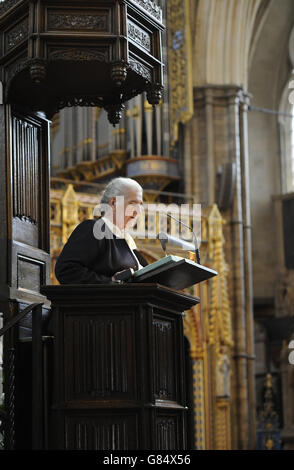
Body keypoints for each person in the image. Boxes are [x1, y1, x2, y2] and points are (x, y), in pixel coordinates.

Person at [54, 177, 148, 284]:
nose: (138, 211)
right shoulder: (93, 229)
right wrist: (110, 282)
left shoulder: (128, 241)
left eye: (140, 204)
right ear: (113, 203)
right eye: (133, 203)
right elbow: (66, 270)